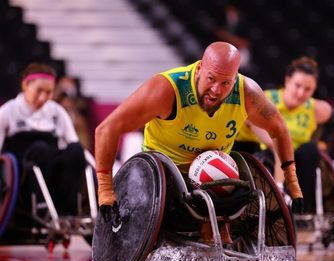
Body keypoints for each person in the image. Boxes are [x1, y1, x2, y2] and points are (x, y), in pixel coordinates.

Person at [95, 42, 304, 230]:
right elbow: (107, 128)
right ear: (199, 69)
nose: (216, 90)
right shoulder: (166, 89)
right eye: (211, 79)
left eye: (225, 83)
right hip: (163, 173)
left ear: (236, 77)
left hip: (213, 175)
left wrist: (292, 182)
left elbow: (280, 129)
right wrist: (105, 189)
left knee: (244, 191)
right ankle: (209, 231)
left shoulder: (247, 92)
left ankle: (216, 234)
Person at [235, 57, 334, 213]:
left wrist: (323, 142)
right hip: (261, 150)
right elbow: (254, 125)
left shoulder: (316, 108)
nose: (301, 93)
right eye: (297, 85)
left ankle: (303, 211)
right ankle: (271, 206)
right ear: (287, 81)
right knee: (271, 152)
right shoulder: (266, 99)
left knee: (311, 150)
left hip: (293, 158)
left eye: (308, 89)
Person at [0, 63, 86, 216]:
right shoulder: (8, 111)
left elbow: (74, 143)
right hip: (23, 173)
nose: (43, 97)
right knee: (41, 150)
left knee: (76, 151)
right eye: (39, 91)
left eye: (49, 92)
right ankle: (41, 208)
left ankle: (68, 210)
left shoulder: (56, 111)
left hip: (53, 169)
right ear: (25, 85)